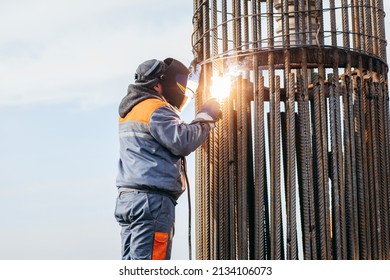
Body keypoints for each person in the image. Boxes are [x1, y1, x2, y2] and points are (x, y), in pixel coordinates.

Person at [114, 57, 221, 260]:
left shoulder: (133, 109)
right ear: (157, 84)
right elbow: (182, 140)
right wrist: (206, 117)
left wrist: (193, 78)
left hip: (129, 201)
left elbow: (171, 113)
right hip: (152, 203)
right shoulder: (156, 110)